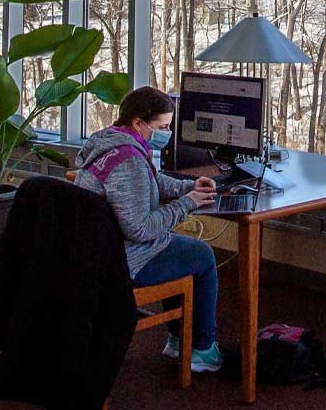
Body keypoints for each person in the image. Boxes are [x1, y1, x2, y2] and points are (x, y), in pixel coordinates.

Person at [73, 86, 223, 372]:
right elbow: (141, 229)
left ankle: (179, 341)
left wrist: (187, 187)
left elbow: (149, 180)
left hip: (95, 251)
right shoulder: (129, 160)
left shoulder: (110, 143)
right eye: (162, 127)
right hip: (119, 262)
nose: (166, 133)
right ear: (138, 122)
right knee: (201, 256)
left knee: (177, 247)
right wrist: (186, 204)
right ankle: (201, 350)